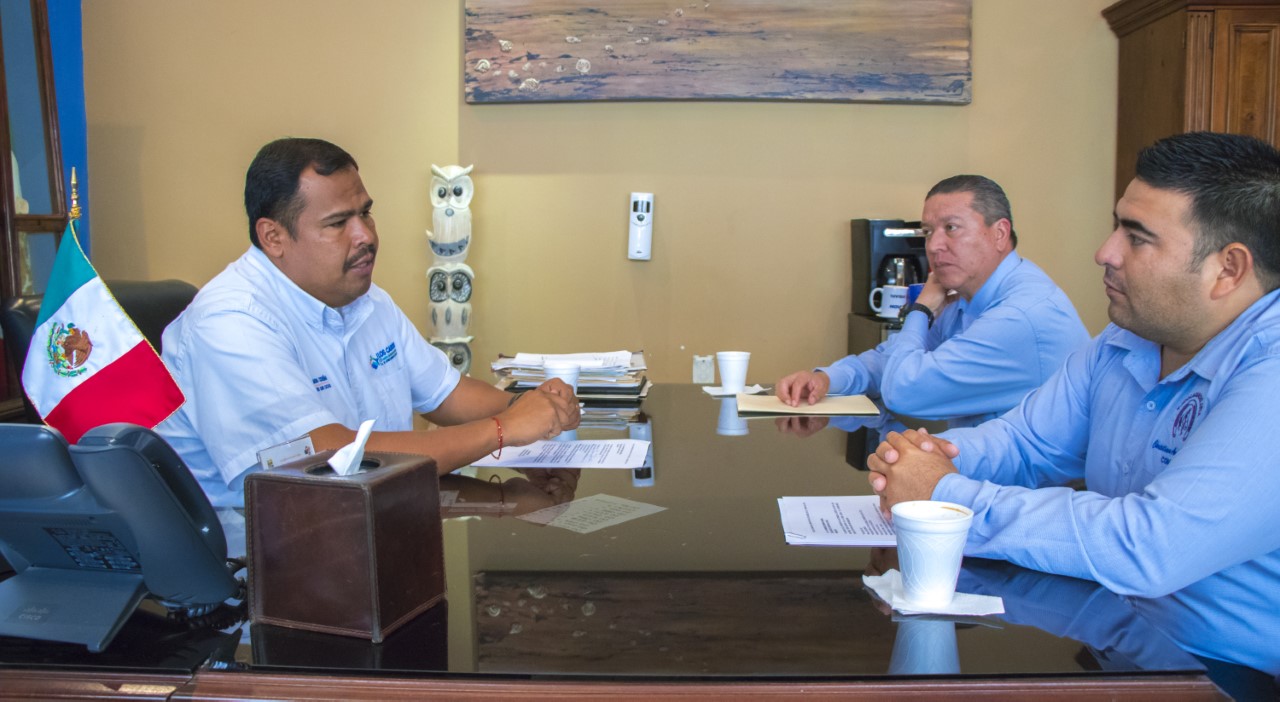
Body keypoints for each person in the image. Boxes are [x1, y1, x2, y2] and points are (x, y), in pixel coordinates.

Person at [869, 132, 1280, 677]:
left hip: (1230, 673)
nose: (1105, 252)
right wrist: (921, 457)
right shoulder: (1126, 339)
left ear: (1228, 269)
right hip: (1116, 630)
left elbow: (1147, 545)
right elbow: (1025, 441)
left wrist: (944, 492)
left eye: (1137, 237)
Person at [158, 137, 579, 507]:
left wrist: (534, 406)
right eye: (338, 223)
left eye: (366, 213)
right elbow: (329, 462)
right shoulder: (230, 323)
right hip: (259, 555)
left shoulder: (363, 298)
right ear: (273, 237)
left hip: (369, 520)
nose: (366, 236)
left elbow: (446, 395)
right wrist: (504, 429)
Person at [776, 175, 1088, 428]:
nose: (934, 246)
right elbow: (889, 362)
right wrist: (826, 379)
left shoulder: (1019, 314)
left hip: (1030, 486)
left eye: (951, 228)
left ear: (999, 233)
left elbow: (903, 390)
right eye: (928, 232)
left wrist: (920, 309)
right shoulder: (969, 296)